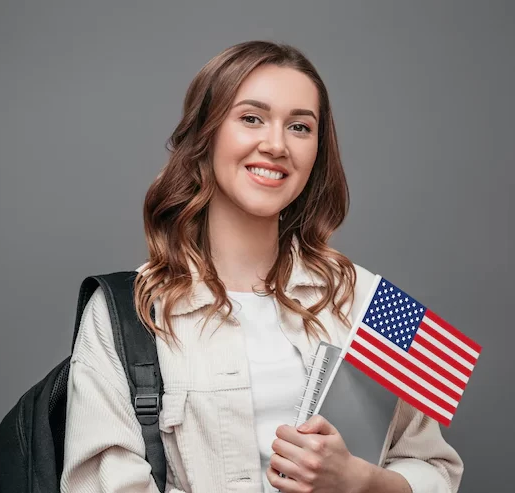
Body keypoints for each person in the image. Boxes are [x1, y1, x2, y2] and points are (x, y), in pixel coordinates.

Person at [60, 40, 463, 493]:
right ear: (205, 134)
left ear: (317, 152)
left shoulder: (370, 299)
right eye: (251, 118)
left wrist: (361, 481)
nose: (276, 145)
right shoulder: (126, 312)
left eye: (300, 127)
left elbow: (436, 468)